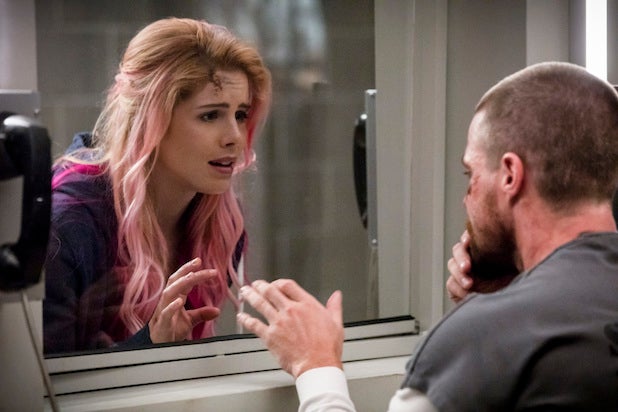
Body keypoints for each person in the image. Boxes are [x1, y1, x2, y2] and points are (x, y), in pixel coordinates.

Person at [236, 62, 618, 411]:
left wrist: (316, 366)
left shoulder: (483, 338)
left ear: (509, 176)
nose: (466, 198)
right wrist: (514, 295)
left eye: (470, 174)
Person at [43, 17, 271, 354]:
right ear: (151, 120)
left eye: (240, 114)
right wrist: (150, 344)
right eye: (210, 115)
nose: (235, 138)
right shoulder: (66, 226)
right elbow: (45, 380)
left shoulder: (222, 223)